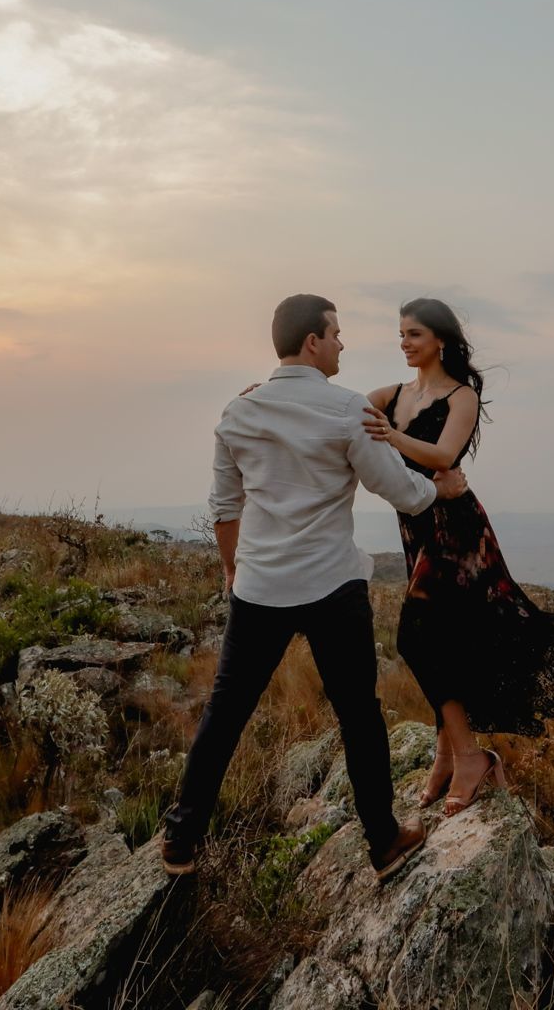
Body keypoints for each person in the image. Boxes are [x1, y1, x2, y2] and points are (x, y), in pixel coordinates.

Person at [161, 294, 469, 882]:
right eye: (335, 334)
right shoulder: (345, 410)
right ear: (312, 342)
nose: (342, 344)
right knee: (358, 714)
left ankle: (181, 839)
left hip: (259, 586)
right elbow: (400, 490)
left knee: (226, 712)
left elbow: (226, 506)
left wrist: (233, 569)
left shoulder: (239, 411)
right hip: (331, 585)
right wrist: (443, 492)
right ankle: (383, 839)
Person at [362, 297, 554, 816]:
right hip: (417, 525)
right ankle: (447, 757)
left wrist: (390, 434)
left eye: (414, 334)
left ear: (439, 339)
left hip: (456, 530)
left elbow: (443, 455)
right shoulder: (390, 394)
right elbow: (334, 408)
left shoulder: (461, 395)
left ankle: (470, 757)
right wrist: (279, 390)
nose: (404, 343)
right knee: (443, 639)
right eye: (400, 334)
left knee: (416, 636)